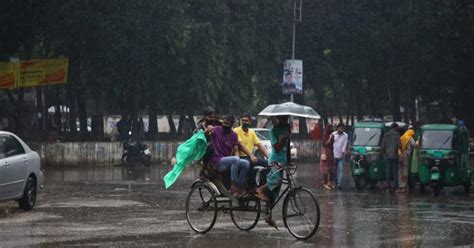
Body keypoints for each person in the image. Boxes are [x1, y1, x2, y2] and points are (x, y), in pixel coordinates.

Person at [254, 115, 291, 228]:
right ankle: (260, 190)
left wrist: (289, 161)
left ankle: (268, 215)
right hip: (275, 160)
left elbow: (288, 147)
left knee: (275, 192)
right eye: (283, 118)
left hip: (283, 161)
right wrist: (283, 139)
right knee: (276, 180)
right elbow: (276, 148)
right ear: (279, 119)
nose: (285, 120)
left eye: (286, 118)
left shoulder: (287, 129)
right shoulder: (273, 130)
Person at [207, 115, 250, 198]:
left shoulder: (234, 135)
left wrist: (238, 162)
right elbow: (207, 131)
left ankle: (239, 187)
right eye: (224, 123)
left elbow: (236, 150)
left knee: (246, 163)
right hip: (217, 160)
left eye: (228, 124)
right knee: (235, 159)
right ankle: (233, 185)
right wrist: (207, 129)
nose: (225, 126)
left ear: (231, 125)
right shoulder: (216, 129)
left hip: (227, 160)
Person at [233, 113, 269, 189]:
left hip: (250, 157)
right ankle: (251, 187)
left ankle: (262, 185)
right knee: (250, 163)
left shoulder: (252, 132)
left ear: (250, 122)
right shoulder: (236, 131)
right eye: (242, 120)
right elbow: (241, 145)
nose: (244, 122)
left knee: (268, 164)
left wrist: (269, 157)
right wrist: (251, 155)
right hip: (241, 157)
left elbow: (259, 145)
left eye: (246, 121)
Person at [382, 122, 402, 192]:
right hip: (395, 155)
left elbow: (383, 146)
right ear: (396, 127)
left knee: (388, 171)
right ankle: (396, 187)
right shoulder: (397, 134)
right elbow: (399, 145)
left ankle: (388, 187)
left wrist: (385, 154)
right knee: (395, 171)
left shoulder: (386, 135)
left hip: (387, 155)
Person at [398, 127, 415, 193]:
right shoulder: (410, 138)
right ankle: (404, 186)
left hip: (400, 155)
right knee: (405, 170)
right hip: (406, 155)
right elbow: (415, 145)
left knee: (400, 170)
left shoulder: (402, 137)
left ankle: (401, 186)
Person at [331, 123, 348, 190]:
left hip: (341, 155)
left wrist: (343, 154)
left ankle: (339, 184)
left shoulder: (345, 135)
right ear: (337, 128)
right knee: (334, 170)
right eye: (340, 128)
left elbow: (345, 144)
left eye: (342, 128)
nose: (341, 129)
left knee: (340, 170)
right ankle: (335, 182)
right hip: (334, 155)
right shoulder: (333, 134)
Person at [320, 124, 334, 190]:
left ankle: (329, 182)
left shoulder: (332, 134)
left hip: (331, 153)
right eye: (330, 128)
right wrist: (330, 138)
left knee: (331, 169)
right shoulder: (326, 134)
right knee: (325, 169)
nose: (331, 129)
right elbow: (325, 143)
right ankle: (325, 183)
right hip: (326, 153)